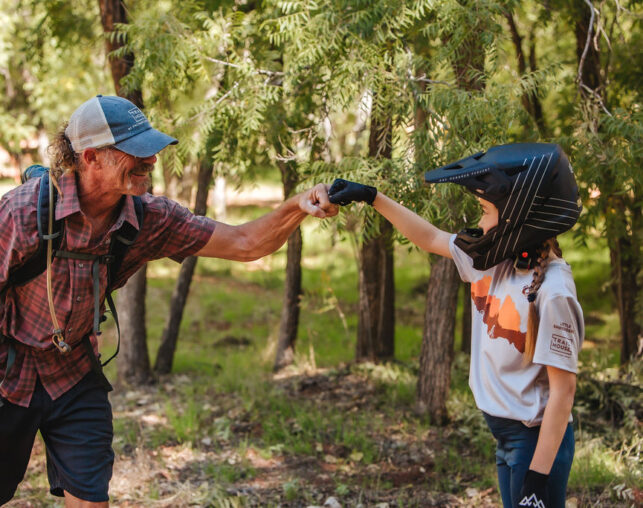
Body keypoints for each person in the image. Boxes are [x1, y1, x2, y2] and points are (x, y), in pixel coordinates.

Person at [0, 94, 338, 507]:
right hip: (8, 373)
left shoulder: (149, 219)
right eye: (136, 152)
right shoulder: (22, 213)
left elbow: (246, 243)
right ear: (90, 158)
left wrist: (297, 206)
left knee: (90, 499)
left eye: (151, 150)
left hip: (74, 377)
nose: (152, 161)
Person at [328, 143, 583, 508]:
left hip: (536, 440)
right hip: (505, 434)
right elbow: (430, 238)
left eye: (484, 211)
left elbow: (563, 393)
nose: (478, 222)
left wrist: (538, 478)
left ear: (518, 218)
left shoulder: (553, 291)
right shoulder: (491, 258)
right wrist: (372, 197)